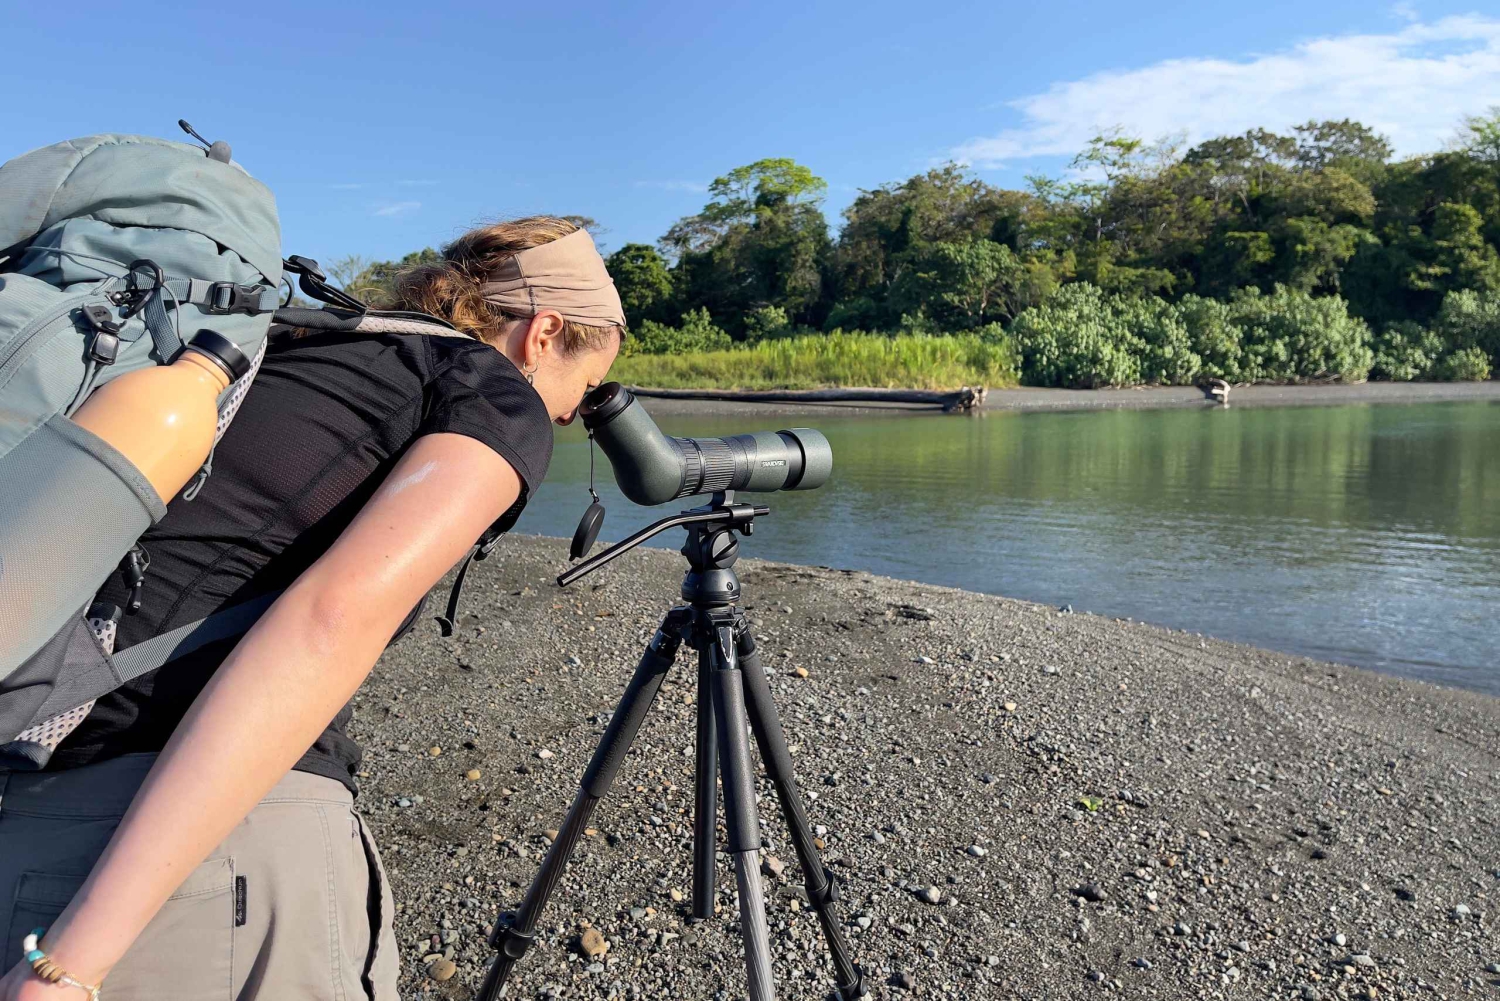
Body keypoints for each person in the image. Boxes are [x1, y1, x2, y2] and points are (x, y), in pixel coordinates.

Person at [0, 216, 624, 1000]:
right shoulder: (492, 391)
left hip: (30, 781)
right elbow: (331, 621)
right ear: (544, 334)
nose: (574, 415)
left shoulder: (310, 343)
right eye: (588, 385)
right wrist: (71, 964)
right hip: (179, 861)